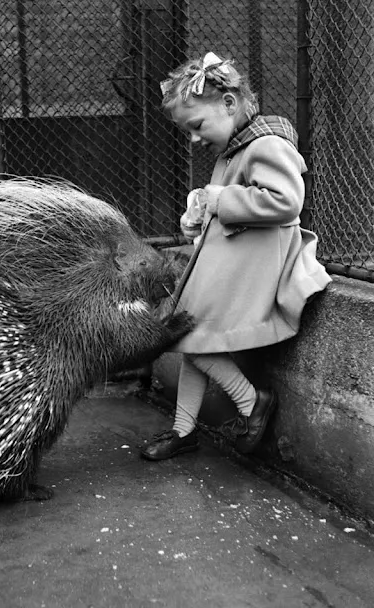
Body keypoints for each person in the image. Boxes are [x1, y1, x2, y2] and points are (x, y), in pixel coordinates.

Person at [142, 52, 331, 460]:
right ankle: (183, 429)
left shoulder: (266, 144)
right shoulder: (235, 147)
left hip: (250, 273)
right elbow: (232, 206)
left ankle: (251, 403)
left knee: (191, 337)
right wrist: (199, 216)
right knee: (193, 336)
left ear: (229, 104)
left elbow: (285, 201)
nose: (193, 138)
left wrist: (218, 199)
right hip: (227, 269)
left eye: (196, 125)